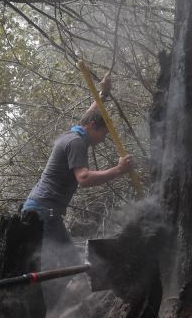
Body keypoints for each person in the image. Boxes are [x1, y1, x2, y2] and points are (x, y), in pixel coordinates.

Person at [22, 77, 133, 266]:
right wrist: (119, 169)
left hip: (38, 208)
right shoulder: (77, 142)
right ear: (91, 127)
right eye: (103, 134)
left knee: (50, 265)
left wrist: (103, 94)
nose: (103, 139)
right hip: (43, 211)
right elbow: (84, 178)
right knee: (71, 265)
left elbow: (90, 113)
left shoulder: (73, 134)